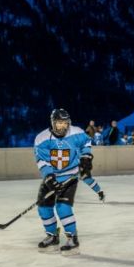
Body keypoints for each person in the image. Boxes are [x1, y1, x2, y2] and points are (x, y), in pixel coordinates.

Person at [33, 109, 93, 255]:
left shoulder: (77, 132)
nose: (63, 126)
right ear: (53, 123)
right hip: (52, 177)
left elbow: (86, 142)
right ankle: (52, 237)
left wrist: (86, 157)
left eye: (65, 123)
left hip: (70, 176)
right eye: (59, 123)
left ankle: (73, 239)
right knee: (43, 207)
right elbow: (42, 161)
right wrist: (49, 178)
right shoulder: (42, 138)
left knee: (63, 207)